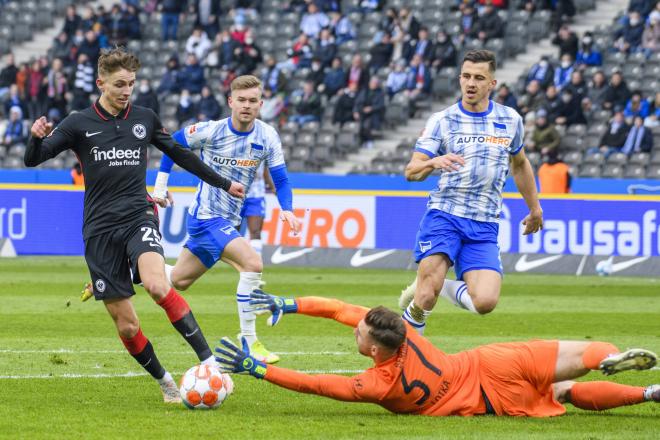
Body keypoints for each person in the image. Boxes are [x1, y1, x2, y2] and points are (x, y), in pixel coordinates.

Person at [24, 47, 245, 403]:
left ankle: (211, 364)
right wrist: (35, 136)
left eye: (131, 84)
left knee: (159, 285)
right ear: (101, 83)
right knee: (127, 325)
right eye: (120, 84)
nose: (127, 91)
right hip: (99, 229)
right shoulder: (79, 123)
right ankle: (166, 383)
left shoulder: (144, 118)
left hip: (138, 214)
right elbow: (34, 159)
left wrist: (222, 182)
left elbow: (180, 154)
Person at [215, 290, 660, 416]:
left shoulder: (378, 382)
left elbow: (314, 384)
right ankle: (611, 359)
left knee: (561, 393)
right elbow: (337, 309)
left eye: (359, 331)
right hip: (491, 361)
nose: (354, 329)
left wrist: (257, 368)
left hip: (491, 399)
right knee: (581, 356)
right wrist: (289, 304)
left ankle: (648, 395)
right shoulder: (404, 332)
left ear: (371, 346)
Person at [151, 75, 301, 364]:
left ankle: (133, 268)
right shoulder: (212, 131)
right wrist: (160, 185)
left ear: (261, 103)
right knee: (253, 263)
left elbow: (281, 179)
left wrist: (288, 208)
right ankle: (249, 341)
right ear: (231, 101)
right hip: (206, 217)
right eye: (241, 100)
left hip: (228, 221)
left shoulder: (267, 136)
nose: (246, 106)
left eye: (252, 101)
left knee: (178, 280)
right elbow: (170, 145)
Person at [398, 50, 543, 333]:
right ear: (460, 79)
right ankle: (405, 359)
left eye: (479, 77)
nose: (471, 83)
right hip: (445, 215)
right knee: (426, 297)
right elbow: (411, 172)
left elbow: (521, 164)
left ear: (492, 83)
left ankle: (432, 285)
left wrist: (535, 208)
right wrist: (433, 161)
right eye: (466, 76)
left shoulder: (510, 119)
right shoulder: (443, 120)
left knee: (485, 302)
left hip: (484, 222)